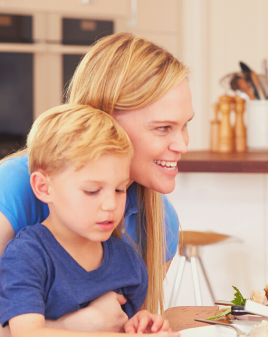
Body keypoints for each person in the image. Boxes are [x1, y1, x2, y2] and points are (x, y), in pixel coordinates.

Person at [0, 33, 193, 328]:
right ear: (107, 120)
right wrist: (79, 325)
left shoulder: (160, 220)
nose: (182, 145)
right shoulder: (14, 186)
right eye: (163, 128)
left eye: (185, 125)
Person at [0, 105, 177, 337]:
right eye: (92, 191)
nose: (110, 205)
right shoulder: (26, 256)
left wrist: (140, 325)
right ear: (43, 187)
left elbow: (124, 326)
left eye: (119, 190)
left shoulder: (129, 262)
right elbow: (26, 333)